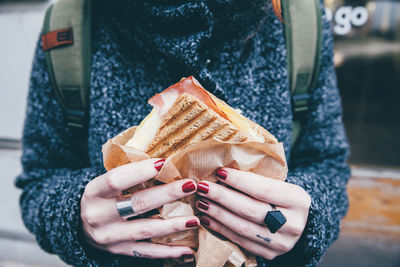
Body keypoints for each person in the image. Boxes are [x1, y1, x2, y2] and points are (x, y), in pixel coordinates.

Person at [15, 0, 350, 266]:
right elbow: (41, 178)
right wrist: (77, 218)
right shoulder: (69, 29)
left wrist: (308, 219)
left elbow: (326, 163)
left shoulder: (300, 21)